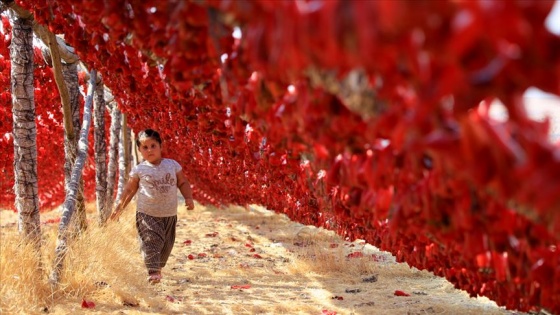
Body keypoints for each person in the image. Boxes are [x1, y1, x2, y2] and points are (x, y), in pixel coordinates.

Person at [110, 129, 195, 284]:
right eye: (145, 147)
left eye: (153, 145)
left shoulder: (172, 165)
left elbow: (182, 182)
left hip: (169, 215)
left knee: (166, 246)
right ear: (140, 150)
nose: (149, 150)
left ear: (160, 146)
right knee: (151, 240)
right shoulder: (139, 170)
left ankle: (157, 266)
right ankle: (153, 271)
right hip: (147, 213)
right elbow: (129, 190)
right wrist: (118, 209)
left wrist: (188, 197)